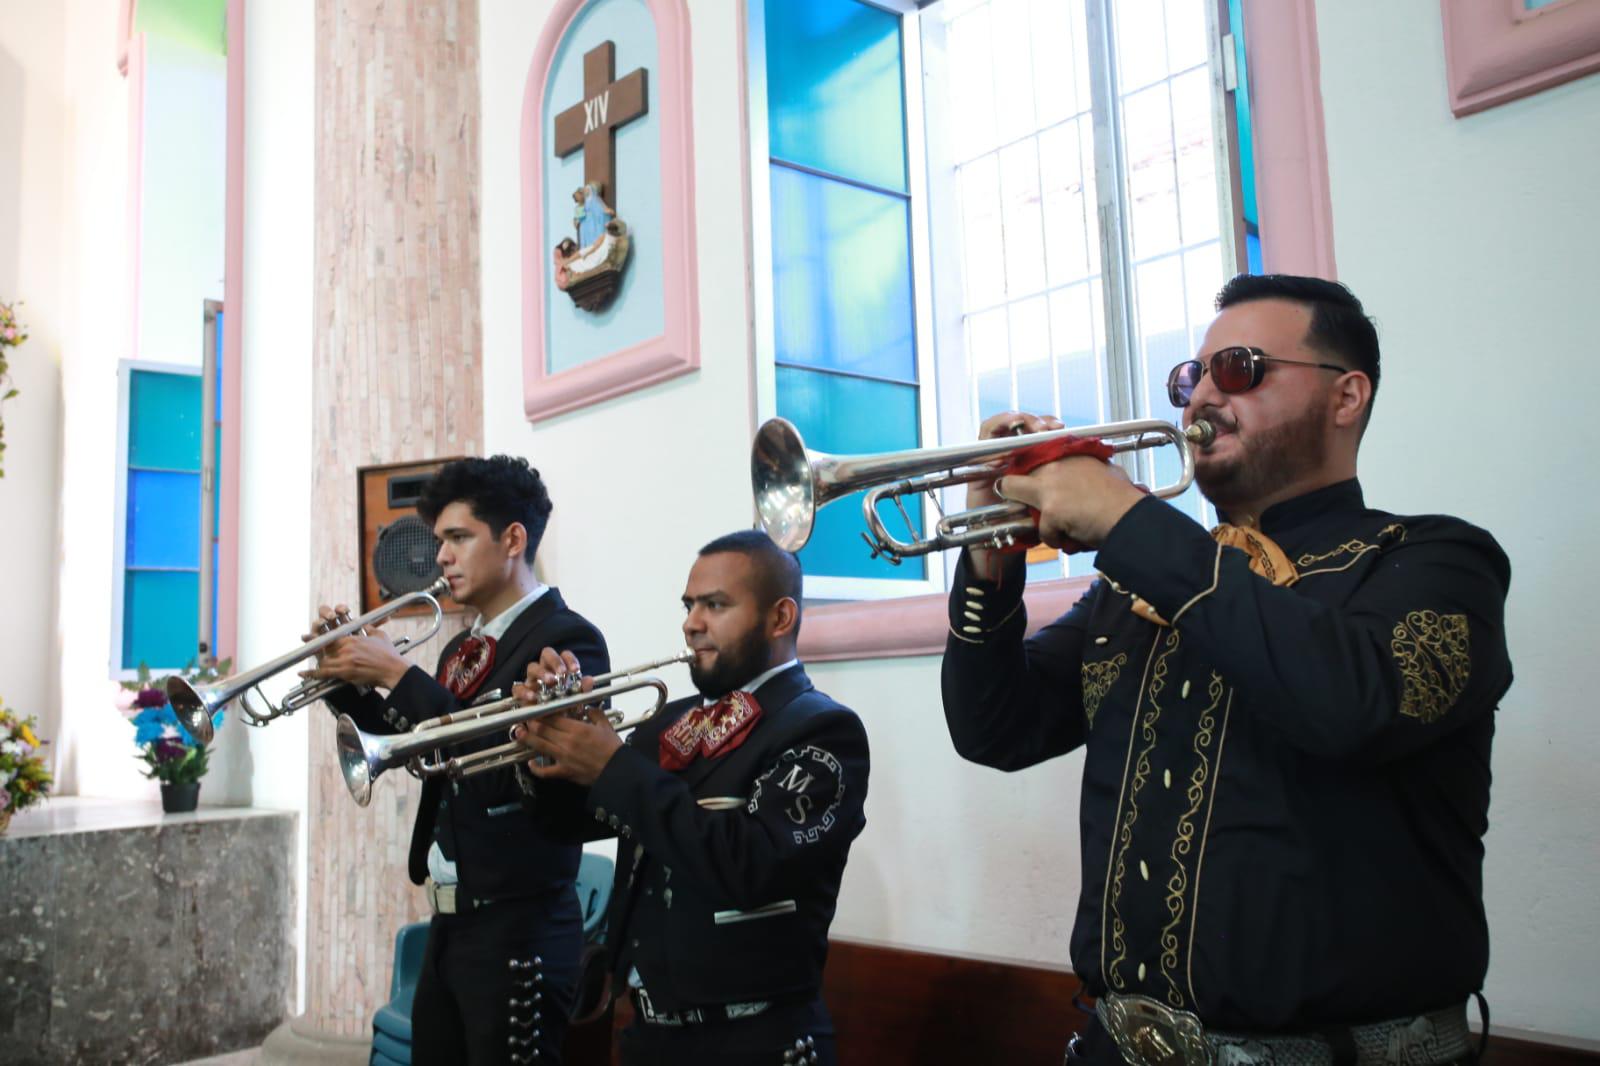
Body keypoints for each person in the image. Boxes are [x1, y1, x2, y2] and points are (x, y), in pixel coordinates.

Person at [941, 274, 1511, 1065]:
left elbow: (1350, 705)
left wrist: (1127, 521)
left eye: (1239, 368)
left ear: (1346, 397)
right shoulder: (1137, 586)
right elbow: (994, 729)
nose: (1202, 397)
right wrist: (988, 563)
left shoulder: (1434, 560)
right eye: (1191, 376)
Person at [514, 530, 870, 1066]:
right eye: (689, 605)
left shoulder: (822, 730)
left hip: (754, 1042)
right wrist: (546, 746)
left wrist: (612, 763)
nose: (691, 622)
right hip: (649, 1033)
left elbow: (749, 864)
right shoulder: (671, 720)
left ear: (780, 618)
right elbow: (570, 825)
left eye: (715, 605)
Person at [304, 455, 609, 1066]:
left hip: (518, 931)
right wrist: (348, 681)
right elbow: (423, 747)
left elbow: (500, 763)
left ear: (513, 540)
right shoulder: (464, 649)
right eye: (439, 539)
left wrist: (396, 670)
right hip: (451, 926)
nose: (439, 556)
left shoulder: (567, 641)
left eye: (459, 537)